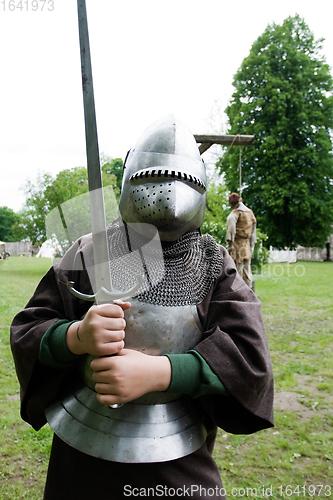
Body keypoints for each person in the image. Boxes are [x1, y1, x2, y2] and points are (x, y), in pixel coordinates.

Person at [11, 116, 273, 500]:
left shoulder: (214, 263)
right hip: (82, 456)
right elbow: (29, 331)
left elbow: (249, 359)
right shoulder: (88, 252)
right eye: (151, 179)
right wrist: (76, 336)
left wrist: (162, 372)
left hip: (175, 457)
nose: (161, 193)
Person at [226, 192, 257, 288]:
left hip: (237, 245)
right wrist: (252, 246)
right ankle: (248, 292)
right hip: (247, 245)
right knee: (247, 271)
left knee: (237, 271)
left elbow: (231, 230)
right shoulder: (250, 213)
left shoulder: (235, 213)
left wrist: (230, 245)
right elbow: (253, 231)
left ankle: (239, 294)